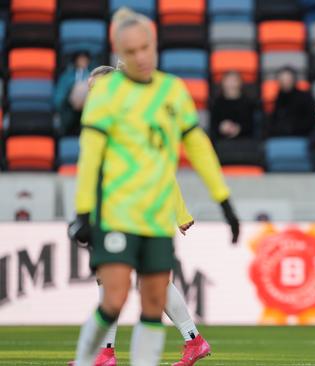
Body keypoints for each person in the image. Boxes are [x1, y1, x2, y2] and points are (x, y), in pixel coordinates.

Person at [67, 8, 239, 366]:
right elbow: (90, 163)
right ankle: (103, 355)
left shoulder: (164, 95)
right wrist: (84, 211)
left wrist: (218, 203)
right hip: (113, 210)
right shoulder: (106, 113)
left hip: (148, 213)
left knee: (149, 292)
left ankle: (110, 353)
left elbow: (177, 160)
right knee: (115, 291)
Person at [268, 66, 315, 137]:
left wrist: (292, 128)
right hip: (280, 137)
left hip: (302, 136)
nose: (285, 82)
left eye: (288, 79)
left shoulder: (305, 97)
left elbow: (311, 121)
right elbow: (273, 121)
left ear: (294, 80)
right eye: (282, 80)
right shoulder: (278, 98)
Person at [210, 70, 257, 144]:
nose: (231, 84)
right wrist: (221, 128)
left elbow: (253, 126)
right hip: (221, 142)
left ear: (240, 83)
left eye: (234, 80)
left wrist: (238, 129)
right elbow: (212, 126)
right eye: (228, 80)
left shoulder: (248, 103)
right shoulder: (216, 104)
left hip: (244, 142)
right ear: (223, 83)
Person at [54, 51, 92, 136]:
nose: (83, 62)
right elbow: (60, 94)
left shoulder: (92, 75)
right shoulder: (67, 76)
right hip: (69, 109)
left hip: (87, 109)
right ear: (75, 61)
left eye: (85, 60)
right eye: (80, 60)